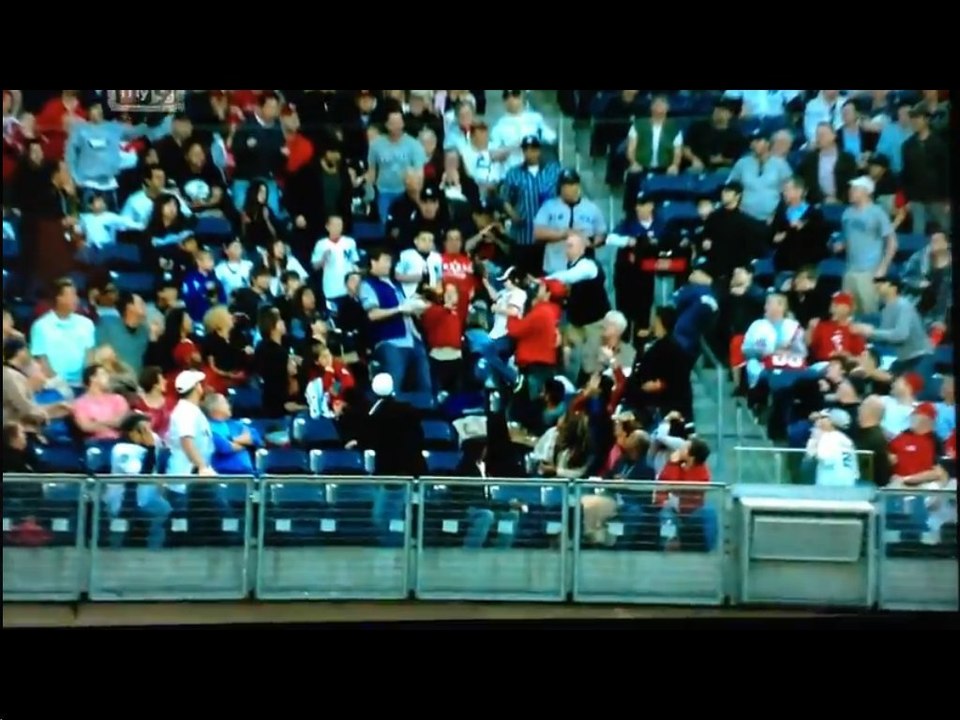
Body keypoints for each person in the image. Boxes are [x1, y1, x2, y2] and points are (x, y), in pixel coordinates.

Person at [359, 247, 432, 394]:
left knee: (425, 386)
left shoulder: (394, 285)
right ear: (373, 262)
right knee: (394, 386)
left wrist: (415, 305)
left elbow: (405, 308)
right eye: (385, 261)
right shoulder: (368, 285)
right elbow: (372, 314)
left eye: (390, 261)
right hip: (391, 342)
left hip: (413, 340)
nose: (389, 264)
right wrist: (400, 309)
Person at [104, 412, 177, 550]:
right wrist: (151, 448)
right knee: (119, 529)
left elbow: (166, 449)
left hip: (146, 498)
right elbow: (142, 474)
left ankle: (153, 553)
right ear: (131, 433)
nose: (148, 434)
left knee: (164, 510)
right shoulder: (122, 450)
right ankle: (113, 554)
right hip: (123, 500)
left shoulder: (150, 440)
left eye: (149, 429)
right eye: (143, 430)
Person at [837, 176, 897, 314]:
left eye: (855, 189)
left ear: (866, 192)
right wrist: (841, 245)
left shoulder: (878, 212)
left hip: (869, 270)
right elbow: (848, 239)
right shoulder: (847, 213)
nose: (850, 192)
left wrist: (883, 266)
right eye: (851, 189)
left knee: (869, 311)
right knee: (847, 312)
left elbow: (892, 241)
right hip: (850, 270)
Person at [851, 274, 933, 377]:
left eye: (883, 282)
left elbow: (901, 335)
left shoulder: (904, 306)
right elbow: (886, 337)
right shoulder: (886, 309)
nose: (877, 285)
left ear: (894, 288)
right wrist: (866, 331)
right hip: (903, 359)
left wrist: (871, 332)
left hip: (920, 357)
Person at [204, 393, 261, 475]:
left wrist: (233, 440)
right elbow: (224, 447)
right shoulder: (208, 427)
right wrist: (245, 443)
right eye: (225, 402)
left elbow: (256, 438)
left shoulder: (235, 424)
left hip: (248, 474)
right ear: (214, 408)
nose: (229, 405)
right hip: (224, 474)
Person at [72, 363, 130, 440]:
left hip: (120, 440)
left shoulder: (118, 399)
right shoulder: (80, 403)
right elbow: (85, 427)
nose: (108, 377)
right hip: (95, 442)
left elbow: (121, 422)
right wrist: (111, 423)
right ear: (93, 378)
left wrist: (97, 422)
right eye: (103, 374)